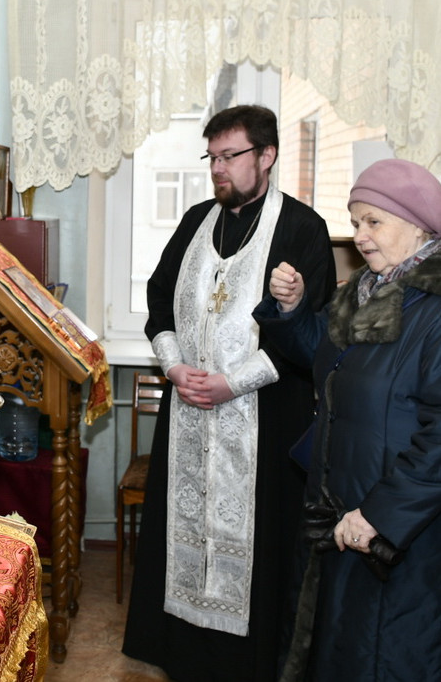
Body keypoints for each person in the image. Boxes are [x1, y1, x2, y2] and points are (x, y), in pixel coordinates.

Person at [122, 105, 336, 682]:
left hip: (267, 417)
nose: (218, 168)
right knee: (183, 533)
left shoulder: (303, 228)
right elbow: (160, 298)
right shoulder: (197, 220)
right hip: (189, 412)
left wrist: (230, 383)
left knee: (261, 546)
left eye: (230, 156)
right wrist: (174, 367)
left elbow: (315, 333)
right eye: (212, 157)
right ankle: (182, 655)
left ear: (266, 156)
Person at [254, 158, 441, 681]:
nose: (359, 235)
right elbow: (325, 358)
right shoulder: (364, 292)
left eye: (374, 221)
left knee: (388, 652)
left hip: (400, 527)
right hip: (343, 511)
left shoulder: (434, 307)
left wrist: (380, 513)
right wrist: (291, 310)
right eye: (356, 221)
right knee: (342, 647)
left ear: (420, 225)